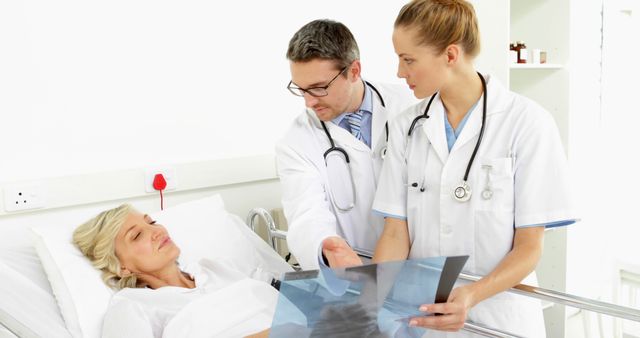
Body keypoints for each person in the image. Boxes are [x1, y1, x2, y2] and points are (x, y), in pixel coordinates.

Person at [371, 0, 577, 337]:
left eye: (408, 60)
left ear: (450, 56)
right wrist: (374, 300)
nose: (399, 72)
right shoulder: (405, 127)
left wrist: (472, 294)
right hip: (426, 317)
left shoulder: (527, 123)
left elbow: (529, 247)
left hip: (502, 319)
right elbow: (396, 232)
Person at [276, 19, 416, 270]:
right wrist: (326, 246)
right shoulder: (295, 141)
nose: (308, 102)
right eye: (301, 89)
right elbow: (306, 214)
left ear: (354, 71)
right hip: (354, 274)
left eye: (319, 88)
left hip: (420, 267)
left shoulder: (410, 106)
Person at [72, 204, 291, 338]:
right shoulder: (133, 305)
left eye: (152, 222)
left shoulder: (216, 267)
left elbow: (288, 286)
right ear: (122, 267)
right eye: (137, 235)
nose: (156, 231)